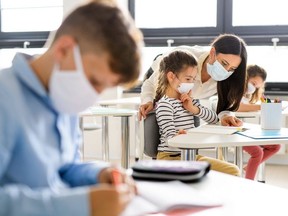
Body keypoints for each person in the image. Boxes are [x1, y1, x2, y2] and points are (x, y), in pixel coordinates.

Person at [0, 1, 143, 216]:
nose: (93, 95)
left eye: (104, 87)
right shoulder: (5, 98)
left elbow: (63, 170)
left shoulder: (62, 98)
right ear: (65, 49)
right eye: (94, 81)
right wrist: (83, 206)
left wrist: (98, 174)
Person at [155, 50, 240, 176]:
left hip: (189, 155)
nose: (191, 84)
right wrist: (179, 135)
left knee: (229, 168)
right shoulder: (164, 105)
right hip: (170, 158)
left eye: (193, 80)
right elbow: (170, 138)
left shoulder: (189, 101)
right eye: (188, 79)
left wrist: (194, 109)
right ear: (171, 76)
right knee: (232, 171)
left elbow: (214, 119)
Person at [139, 33, 247, 128]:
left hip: (186, 97)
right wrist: (147, 101)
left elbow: (224, 106)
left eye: (232, 68)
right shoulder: (186, 60)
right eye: (224, 63)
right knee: (156, 126)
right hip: (160, 73)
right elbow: (149, 84)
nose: (226, 71)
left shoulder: (227, 77)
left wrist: (226, 116)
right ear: (213, 53)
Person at [237, 65, 281, 180]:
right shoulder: (235, 89)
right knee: (257, 153)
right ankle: (249, 182)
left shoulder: (250, 93)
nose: (254, 87)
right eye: (253, 83)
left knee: (276, 146)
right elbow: (237, 107)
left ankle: (250, 167)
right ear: (245, 77)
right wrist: (261, 106)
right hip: (233, 131)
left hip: (243, 130)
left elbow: (265, 100)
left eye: (257, 85)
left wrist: (270, 104)